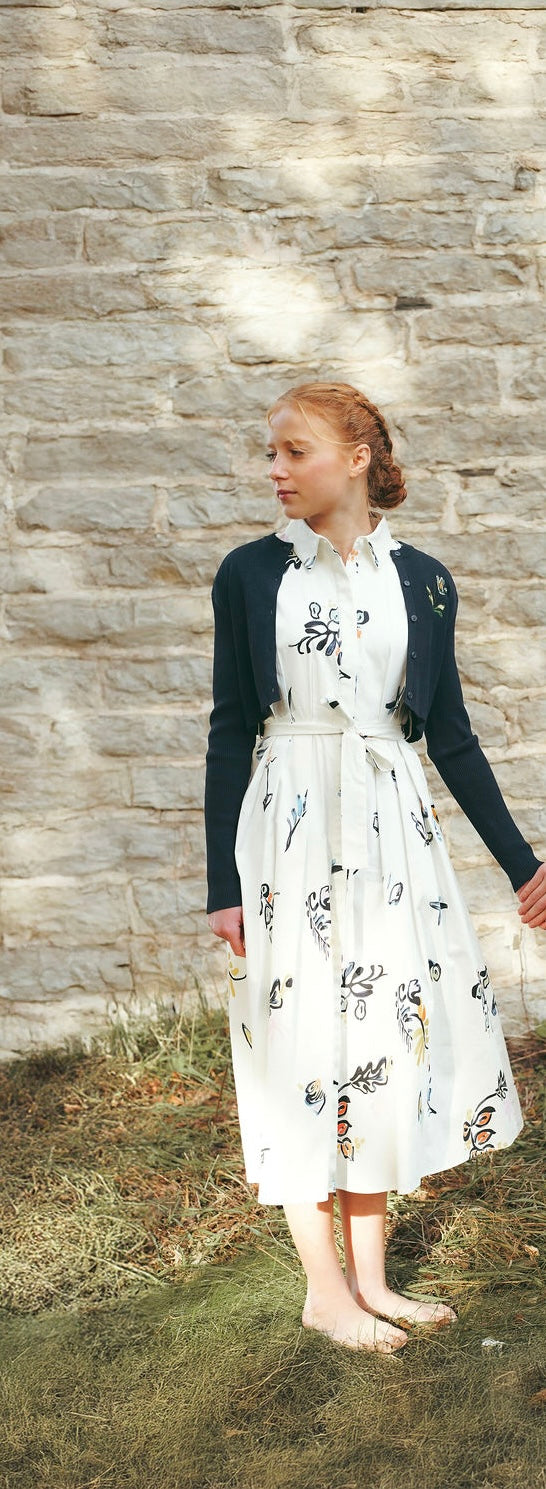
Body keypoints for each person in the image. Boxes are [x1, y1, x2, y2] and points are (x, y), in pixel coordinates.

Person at [204, 381, 546, 1355]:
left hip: (393, 835)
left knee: (381, 1043)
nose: (275, 469)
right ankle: (325, 1291)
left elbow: (453, 737)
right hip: (290, 833)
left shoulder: (425, 581)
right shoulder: (250, 574)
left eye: (295, 450)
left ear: (358, 457)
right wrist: (224, 886)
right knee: (300, 1044)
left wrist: (524, 864)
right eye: (270, 452)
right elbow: (230, 730)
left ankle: (372, 1279)